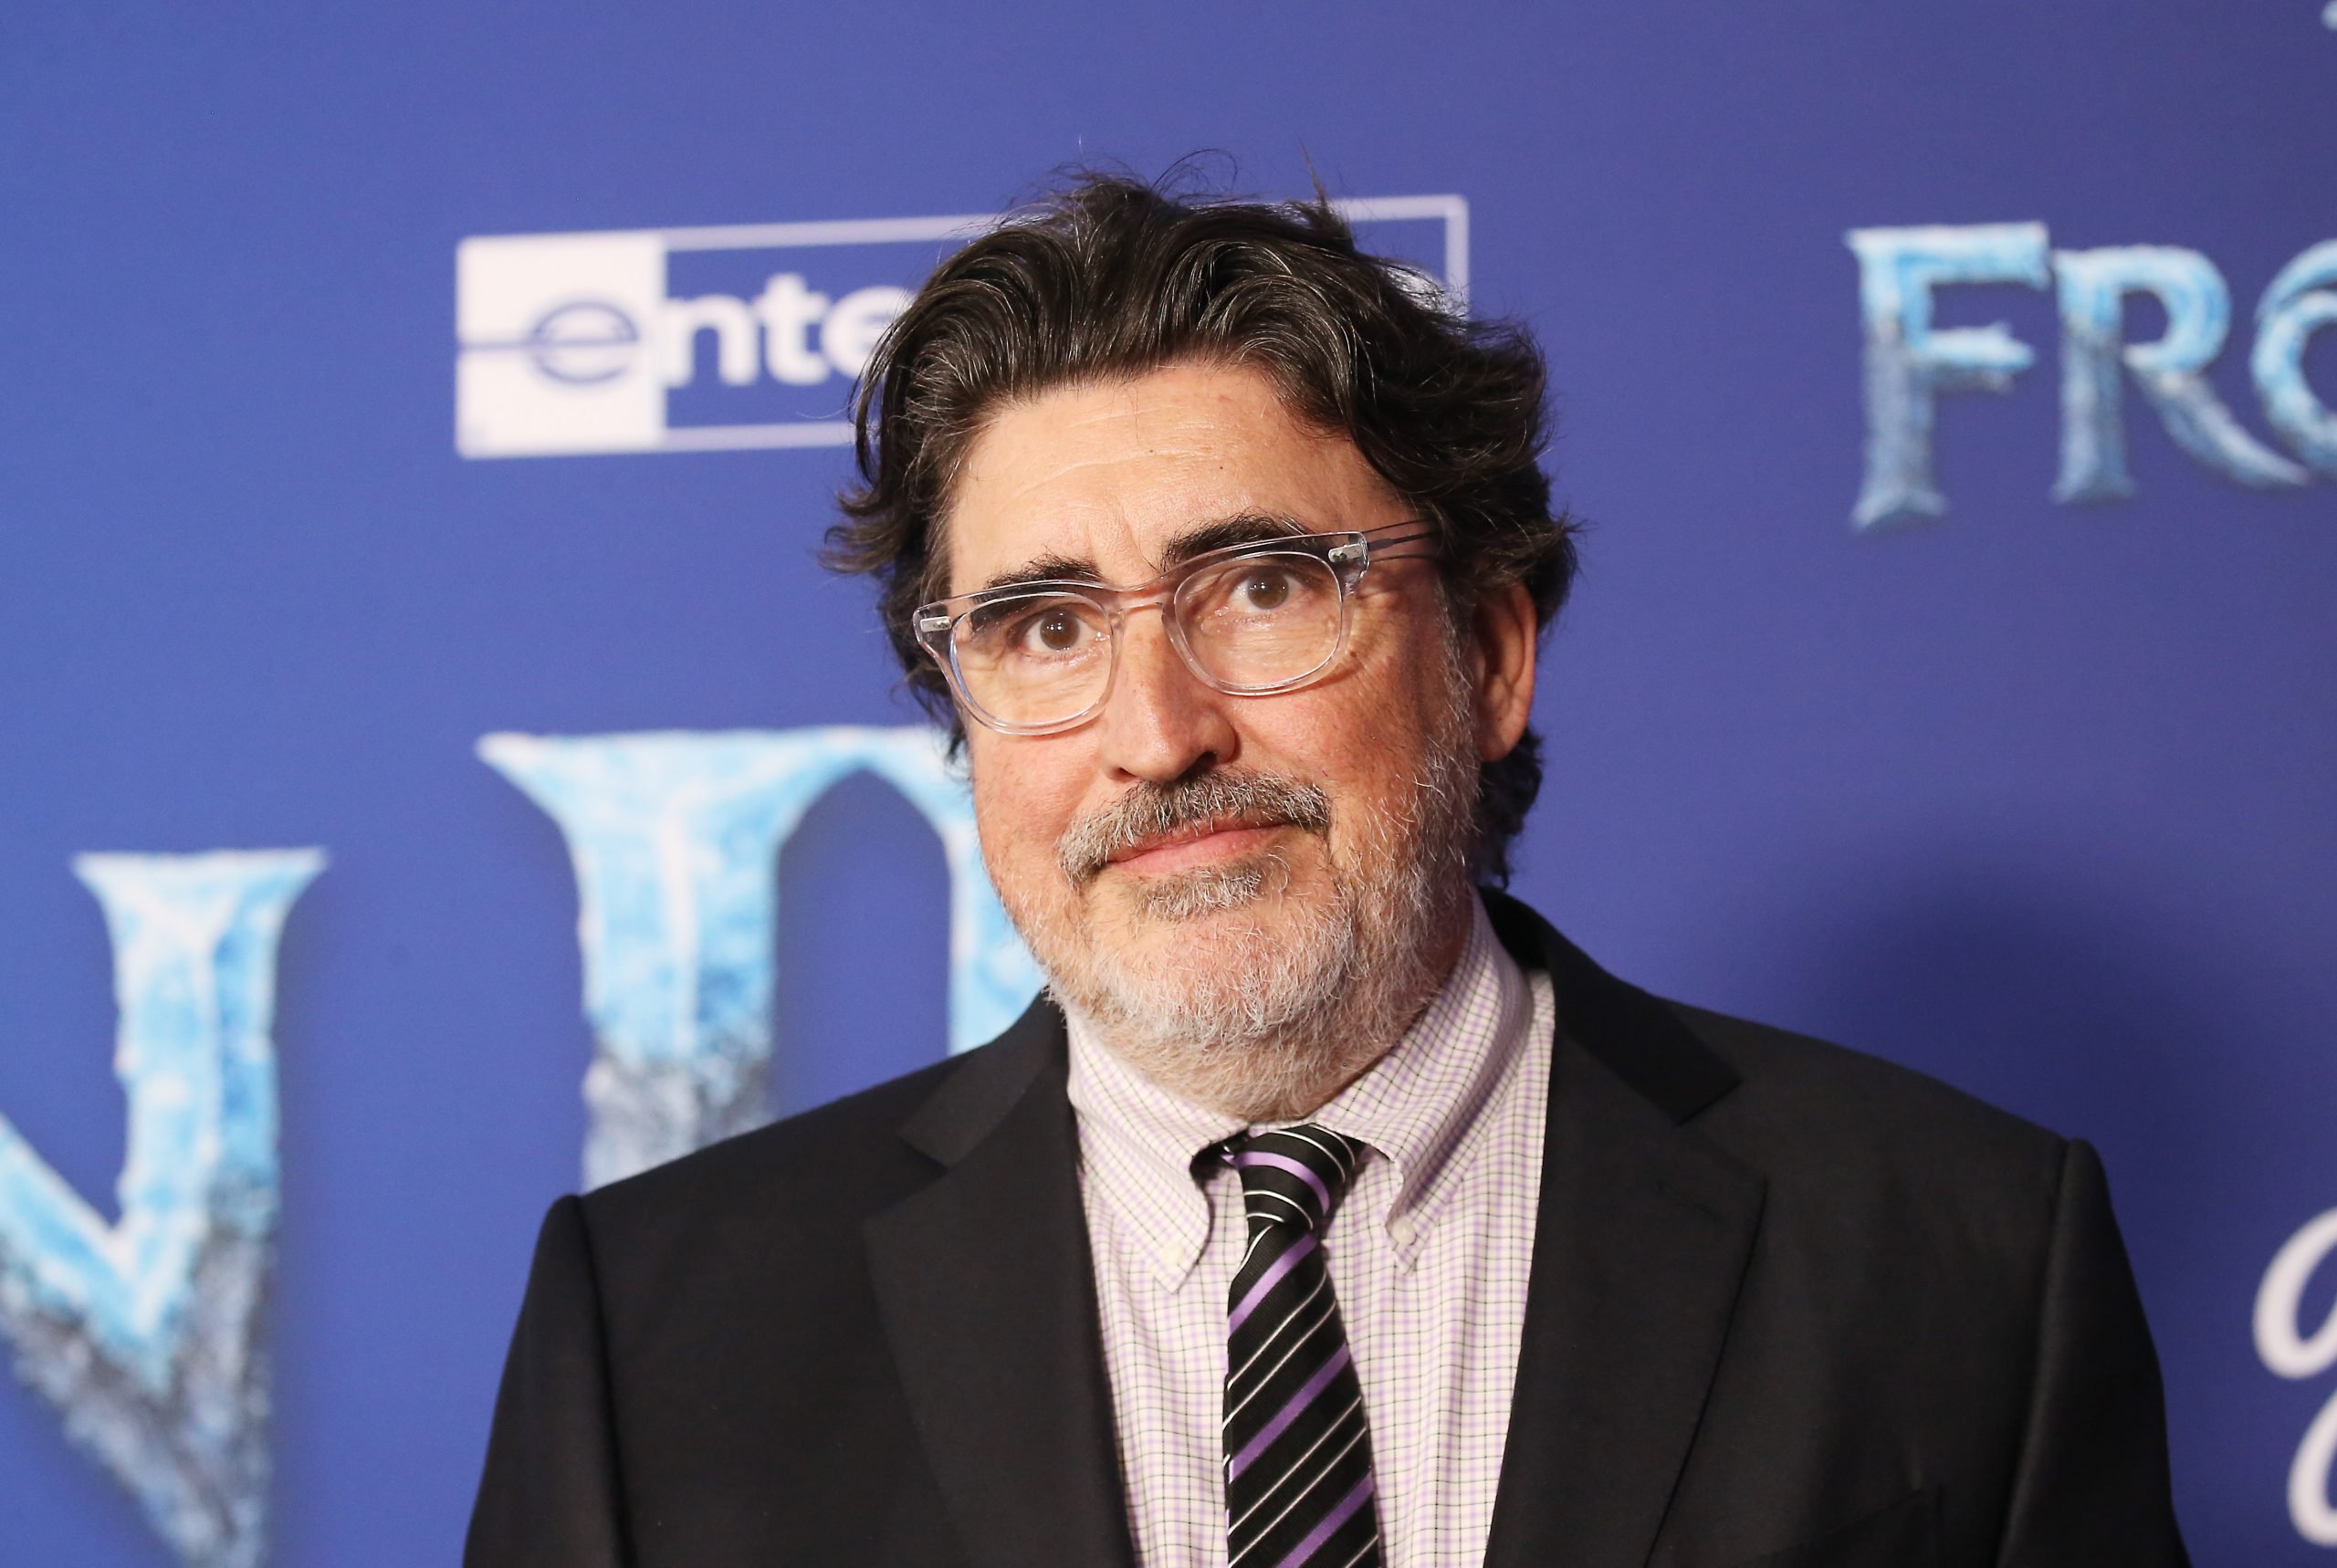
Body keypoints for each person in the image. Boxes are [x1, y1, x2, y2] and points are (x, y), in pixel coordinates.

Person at [465, 172, 2188, 1568]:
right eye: (1046, 626)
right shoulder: (661, 1333)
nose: (1158, 732)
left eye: (1265, 587)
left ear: (1488, 655)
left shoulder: (1954, 1252)